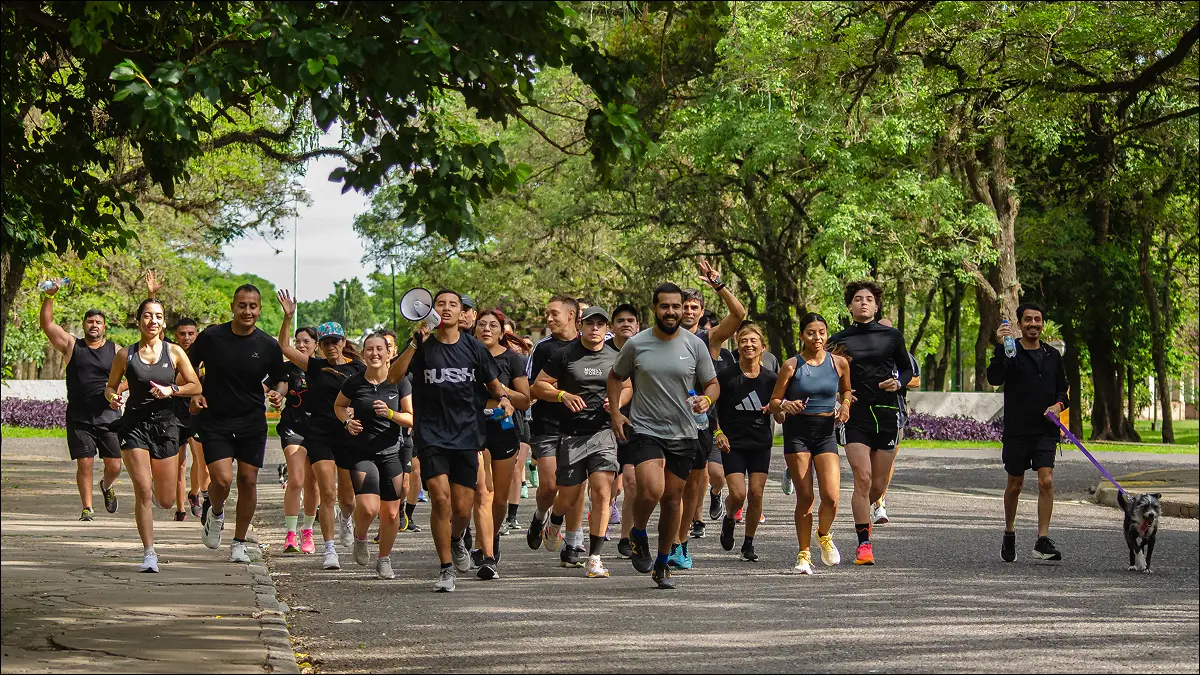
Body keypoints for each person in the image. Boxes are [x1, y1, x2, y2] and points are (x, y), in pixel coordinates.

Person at [387, 290, 514, 592]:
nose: (445, 309)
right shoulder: (422, 347)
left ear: (462, 313)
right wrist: (413, 345)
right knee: (440, 498)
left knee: (462, 508)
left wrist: (506, 399)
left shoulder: (474, 348)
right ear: (432, 310)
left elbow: (494, 384)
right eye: (440, 304)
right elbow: (393, 376)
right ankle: (445, 568)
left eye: (452, 305)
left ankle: (458, 538)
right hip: (431, 434)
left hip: (467, 434)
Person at [608, 283, 719, 589]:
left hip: (684, 431)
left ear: (684, 308)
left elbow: (712, 383)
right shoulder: (636, 344)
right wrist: (617, 413)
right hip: (645, 429)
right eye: (664, 306)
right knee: (652, 490)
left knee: (673, 499)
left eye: (676, 306)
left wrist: (707, 400)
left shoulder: (694, 345)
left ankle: (662, 563)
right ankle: (638, 532)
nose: (671, 312)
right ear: (654, 309)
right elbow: (615, 377)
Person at [186, 285, 289, 564]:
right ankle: (216, 512)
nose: (247, 311)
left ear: (259, 310)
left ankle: (240, 542)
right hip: (215, 419)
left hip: (251, 421)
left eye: (252, 306)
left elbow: (281, 377)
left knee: (248, 480)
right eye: (242, 305)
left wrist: (279, 392)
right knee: (222, 479)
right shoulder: (212, 337)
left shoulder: (267, 345)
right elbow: (186, 365)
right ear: (233, 307)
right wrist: (195, 392)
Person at [104, 298, 202, 572]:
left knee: (166, 499)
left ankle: (169, 502)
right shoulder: (126, 355)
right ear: (139, 321)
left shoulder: (174, 353)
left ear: (164, 322)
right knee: (143, 491)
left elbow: (194, 385)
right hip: (134, 425)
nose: (153, 321)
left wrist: (173, 390)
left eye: (158, 316)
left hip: (166, 426)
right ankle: (149, 553)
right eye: (147, 316)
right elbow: (110, 387)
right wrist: (113, 398)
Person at [533, 306, 631, 578]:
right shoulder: (564, 355)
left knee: (602, 491)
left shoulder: (617, 355)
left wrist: (617, 404)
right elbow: (538, 386)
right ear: (580, 325)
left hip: (603, 433)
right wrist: (561, 394)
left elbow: (627, 386)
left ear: (606, 327)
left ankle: (595, 557)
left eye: (600, 324)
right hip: (571, 435)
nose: (595, 328)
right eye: (589, 323)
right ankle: (554, 521)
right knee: (568, 496)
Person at [276, 290, 365, 571]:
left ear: (343, 341)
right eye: (325, 343)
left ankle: (346, 519)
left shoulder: (357, 368)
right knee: (327, 493)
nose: (330, 347)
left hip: (348, 435)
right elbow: (284, 347)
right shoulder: (315, 366)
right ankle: (329, 550)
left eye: (334, 342)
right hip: (320, 434)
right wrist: (288, 318)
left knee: (348, 498)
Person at [826, 281, 913, 566]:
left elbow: (907, 368)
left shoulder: (891, 336)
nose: (863, 303)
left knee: (876, 488)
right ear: (850, 306)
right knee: (862, 479)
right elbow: (822, 369)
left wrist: (898, 382)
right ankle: (864, 545)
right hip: (856, 416)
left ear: (876, 306)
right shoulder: (838, 340)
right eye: (857, 299)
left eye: (869, 299)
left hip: (887, 413)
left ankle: (873, 509)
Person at [672, 259, 745, 568]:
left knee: (691, 486)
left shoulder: (709, 340)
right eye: (683, 306)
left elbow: (740, 316)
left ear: (701, 313)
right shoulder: (657, 338)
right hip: (664, 422)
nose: (688, 311)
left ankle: (680, 543)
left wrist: (718, 283)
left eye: (693, 307)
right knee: (664, 487)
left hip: (700, 425)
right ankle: (647, 535)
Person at [770, 312, 852, 574]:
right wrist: (785, 404)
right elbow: (773, 402)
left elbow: (846, 390)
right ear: (802, 335)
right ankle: (803, 554)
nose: (817, 338)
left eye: (821, 332)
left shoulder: (838, 363)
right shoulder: (791, 365)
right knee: (805, 497)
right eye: (811, 333)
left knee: (831, 497)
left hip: (826, 432)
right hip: (797, 432)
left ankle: (823, 534)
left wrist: (846, 405)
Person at [987, 302, 1068, 563]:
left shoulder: (1052, 355)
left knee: (1047, 481)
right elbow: (994, 378)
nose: (1034, 324)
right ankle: (1009, 532)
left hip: (1045, 430)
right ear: (1019, 324)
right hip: (1017, 430)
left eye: (1038, 319)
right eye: (1028, 320)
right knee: (1015, 485)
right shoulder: (1011, 352)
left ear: (1042, 323)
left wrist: (1058, 405)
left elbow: (1062, 390)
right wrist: (1000, 347)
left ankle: (1042, 540)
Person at [38, 281, 123, 521]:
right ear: (84, 325)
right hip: (79, 416)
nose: (93, 325)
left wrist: (117, 391)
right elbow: (48, 325)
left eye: (98, 322)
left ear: (105, 327)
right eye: (90, 321)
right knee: (84, 462)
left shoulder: (116, 350)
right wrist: (49, 297)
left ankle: (106, 486)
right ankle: (87, 507)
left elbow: (132, 377)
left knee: (115, 465)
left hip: (108, 416)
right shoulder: (72, 345)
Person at [334, 333, 414, 579]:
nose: (375, 353)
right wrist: (347, 421)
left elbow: (410, 418)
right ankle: (360, 536)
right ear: (363, 353)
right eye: (369, 349)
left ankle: (384, 558)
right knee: (368, 509)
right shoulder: (354, 382)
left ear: (389, 353)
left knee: (391, 513)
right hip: (361, 452)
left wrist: (390, 414)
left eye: (380, 349)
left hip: (391, 453)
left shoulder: (400, 382)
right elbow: (338, 406)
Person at [712, 323, 783, 563]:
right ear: (737, 346)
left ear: (763, 347)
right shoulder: (726, 376)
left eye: (753, 341)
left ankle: (749, 543)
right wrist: (718, 433)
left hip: (760, 443)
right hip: (733, 443)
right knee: (738, 493)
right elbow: (713, 409)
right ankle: (729, 516)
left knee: (756, 493)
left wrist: (779, 409)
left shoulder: (772, 378)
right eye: (744, 341)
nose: (748, 345)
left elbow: (780, 413)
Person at [524, 296, 585, 563]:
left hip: (581, 427)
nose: (548, 319)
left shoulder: (590, 345)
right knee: (549, 486)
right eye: (547, 314)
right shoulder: (543, 348)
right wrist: (559, 394)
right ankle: (539, 518)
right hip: (547, 425)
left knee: (575, 486)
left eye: (553, 314)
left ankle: (573, 542)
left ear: (571, 315)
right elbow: (531, 387)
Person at [470, 309, 532, 570]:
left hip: (504, 429)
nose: (486, 329)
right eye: (481, 324)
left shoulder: (512, 359)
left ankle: (492, 538)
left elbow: (525, 399)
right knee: (482, 493)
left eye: (493, 325)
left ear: (502, 331)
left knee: (499, 498)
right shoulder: (465, 356)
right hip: (472, 429)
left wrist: (498, 388)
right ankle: (486, 553)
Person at [871, 317, 921, 525]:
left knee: (887, 462)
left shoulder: (903, 355)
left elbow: (916, 380)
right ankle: (871, 501)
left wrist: (899, 381)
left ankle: (879, 503)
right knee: (869, 461)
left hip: (895, 413)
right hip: (868, 413)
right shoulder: (866, 353)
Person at [276, 326, 320, 555]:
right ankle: (290, 534)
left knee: (313, 484)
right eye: (298, 341)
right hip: (293, 426)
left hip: (319, 430)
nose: (301, 345)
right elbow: (282, 386)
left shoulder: (323, 369)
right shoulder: (288, 368)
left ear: (316, 344)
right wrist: (277, 395)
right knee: (296, 479)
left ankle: (308, 531)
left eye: (306, 341)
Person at [607, 302, 642, 559]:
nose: (626, 324)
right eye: (621, 320)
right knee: (609, 485)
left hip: (636, 424)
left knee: (631, 482)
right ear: (612, 327)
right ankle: (597, 521)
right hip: (602, 425)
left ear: (638, 325)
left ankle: (626, 537)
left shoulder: (645, 351)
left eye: (631, 320)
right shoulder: (602, 351)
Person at [171, 317, 200, 522]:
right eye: (182, 334)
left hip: (197, 414)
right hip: (175, 414)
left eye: (191, 333)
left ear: (196, 334)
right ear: (176, 336)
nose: (187, 337)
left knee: (201, 460)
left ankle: (195, 493)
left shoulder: (203, 355)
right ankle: (180, 509)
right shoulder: (170, 353)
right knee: (179, 464)